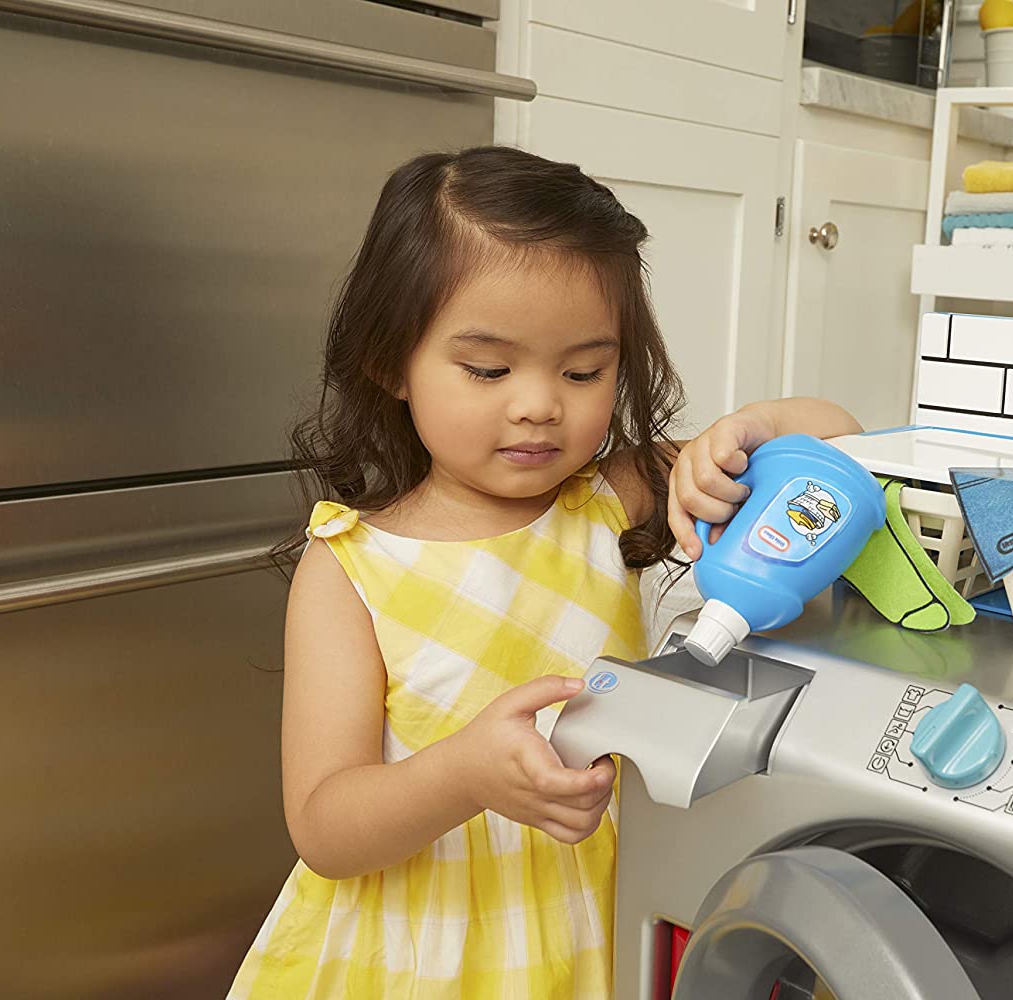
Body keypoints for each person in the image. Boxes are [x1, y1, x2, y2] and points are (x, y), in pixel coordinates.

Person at [228, 145, 861, 999]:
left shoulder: (616, 494)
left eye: (583, 370)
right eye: (488, 369)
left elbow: (842, 439)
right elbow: (325, 827)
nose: (538, 403)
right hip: (425, 946)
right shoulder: (351, 567)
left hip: (598, 910)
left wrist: (746, 433)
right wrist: (466, 773)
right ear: (391, 362)